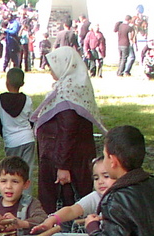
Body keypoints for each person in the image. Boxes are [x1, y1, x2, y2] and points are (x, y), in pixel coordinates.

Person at [30, 46, 105, 215]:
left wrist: (62, 166)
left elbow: (68, 132)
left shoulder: (67, 94)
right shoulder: (75, 87)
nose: (50, 70)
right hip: (70, 158)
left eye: (53, 66)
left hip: (64, 162)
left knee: (65, 206)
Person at [31, 156, 114, 234]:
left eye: (106, 176)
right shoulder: (96, 197)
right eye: (96, 178)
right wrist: (51, 220)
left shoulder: (124, 198)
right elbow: (72, 210)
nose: (100, 182)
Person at [0, 68, 36, 185]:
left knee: (12, 173)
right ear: (22, 84)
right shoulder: (28, 100)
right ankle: (27, 200)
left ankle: (14, 197)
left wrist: (4, 135)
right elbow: (31, 120)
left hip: (11, 141)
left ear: (6, 81)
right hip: (28, 138)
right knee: (26, 173)